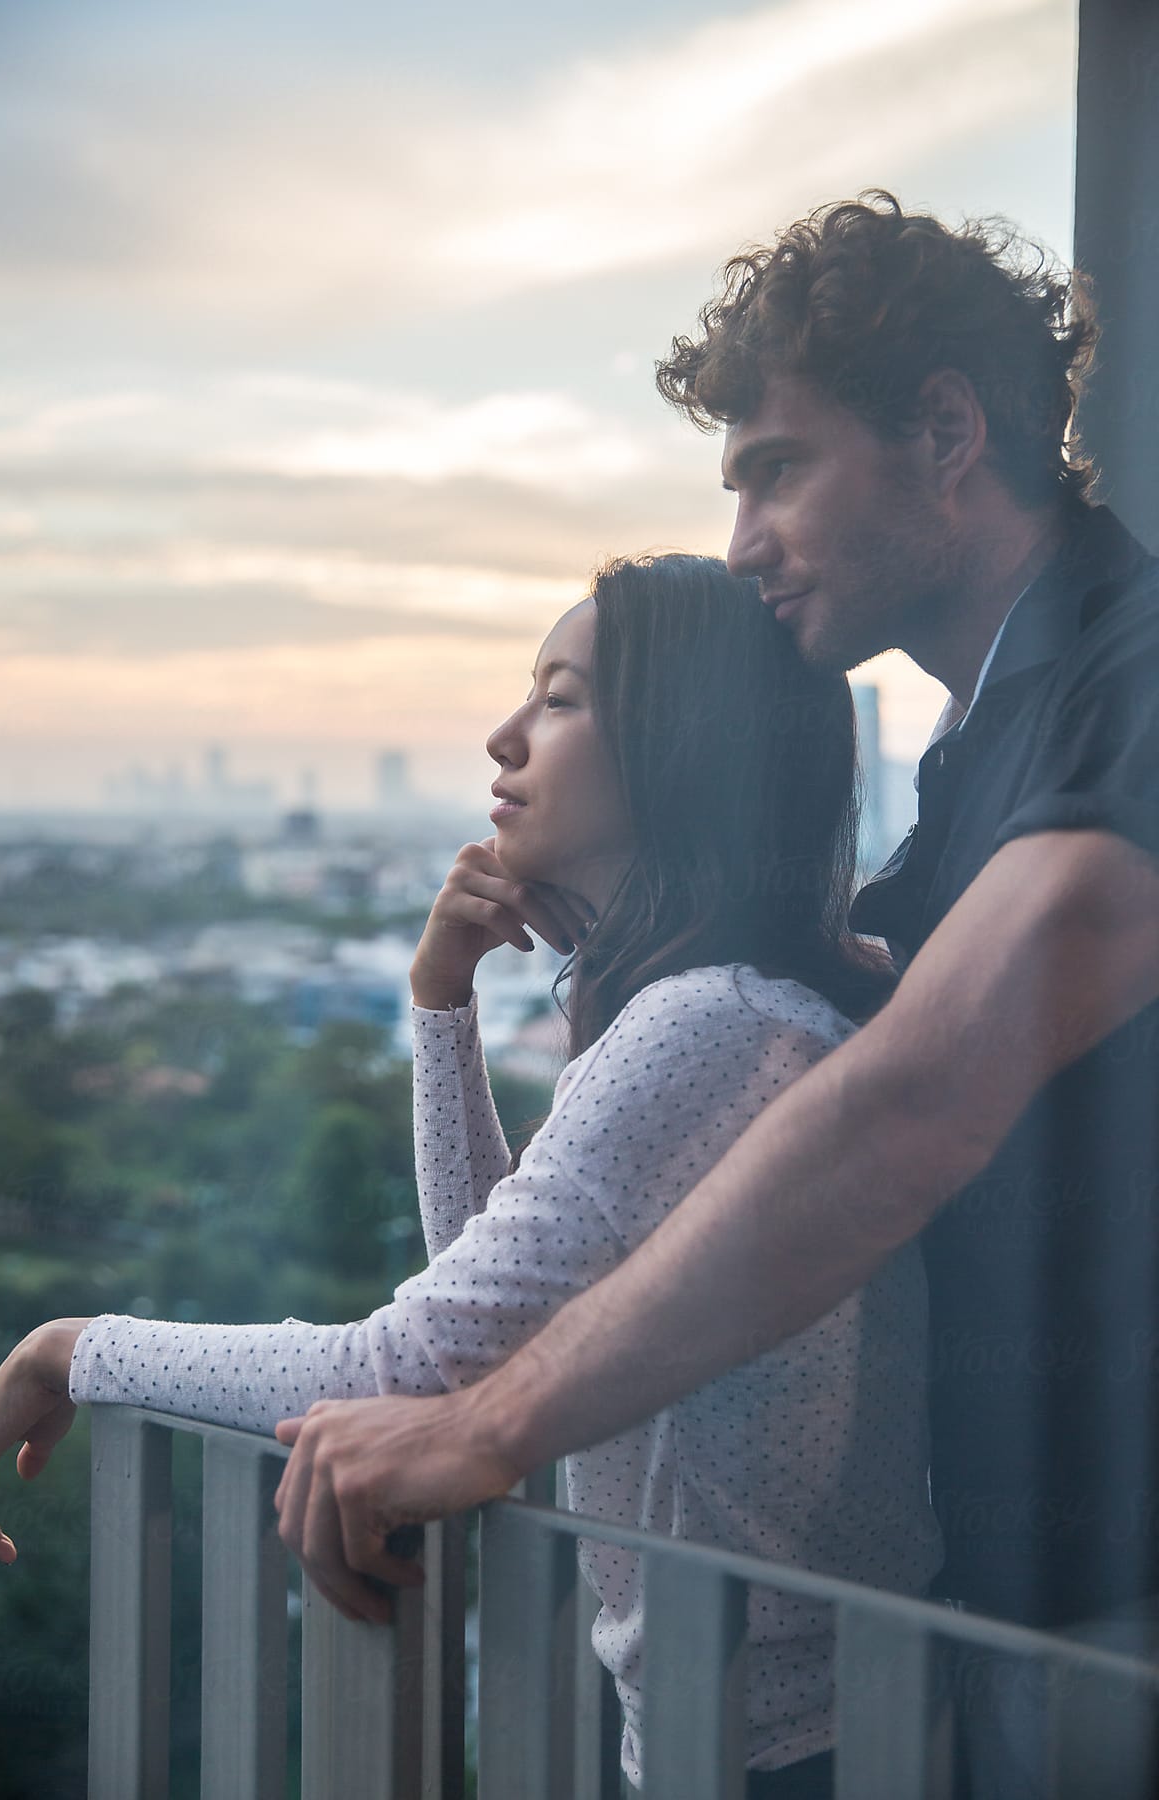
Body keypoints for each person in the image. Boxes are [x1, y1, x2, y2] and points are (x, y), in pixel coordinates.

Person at [258, 196, 1159, 1785]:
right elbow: (748, 1093)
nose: (745, 546)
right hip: (1018, 1618)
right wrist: (591, 944)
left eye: (775, 471)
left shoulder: (1133, 686)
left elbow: (921, 1095)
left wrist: (487, 1428)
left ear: (945, 429)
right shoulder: (986, 759)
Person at [0, 554, 942, 1794]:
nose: (504, 736)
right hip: (770, 1722)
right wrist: (441, 1005)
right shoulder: (729, 1014)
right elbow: (489, 1295)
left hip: (779, 1741)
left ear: (679, 747)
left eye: (562, 698)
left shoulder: (713, 1027)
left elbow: (407, 1366)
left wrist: (68, 1348)